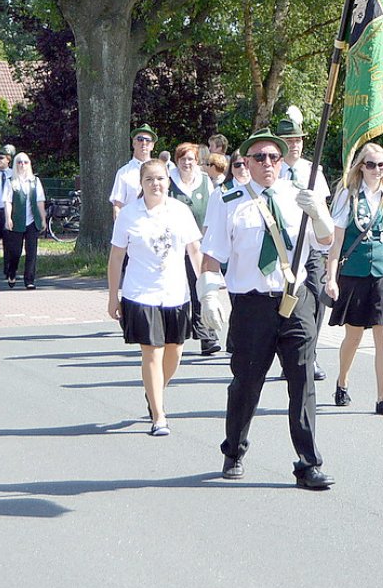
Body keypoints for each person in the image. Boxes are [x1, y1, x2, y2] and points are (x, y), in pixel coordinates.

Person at [199, 127, 336, 490]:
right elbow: (212, 255)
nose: (268, 163)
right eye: (259, 157)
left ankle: (308, 463)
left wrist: (319, 214)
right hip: (252, 306)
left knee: (303, 382)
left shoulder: (298, 196)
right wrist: (210, 293)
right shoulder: (228, 201)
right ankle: (234, 449)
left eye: (274, 157)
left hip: (297, 300)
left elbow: (324, 241)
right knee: (246, 385)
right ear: (246, 162)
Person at [107, 159, 202, 437]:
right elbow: (116, 257)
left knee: (175, 351)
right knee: (152, 351)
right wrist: (114, 296)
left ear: (168, 181)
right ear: (141, 183)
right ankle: (159, 416)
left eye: (160, 178)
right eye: (149, 179)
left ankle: (155, 391)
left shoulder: (180, 211)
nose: (155, 184)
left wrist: (207, 289)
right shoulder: (129, 215)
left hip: (176, 292)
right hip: (141, 293)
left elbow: (194, 250)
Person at [324, 142, 383, 415]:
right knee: (354, 335)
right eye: (371, 164)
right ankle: (342, 381)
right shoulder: (347, 196)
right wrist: (331, 277)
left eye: (381, 165)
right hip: (355, 273)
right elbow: (336, 242)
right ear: (361, 166)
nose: (376, 170)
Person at [275, 109, 330, 381]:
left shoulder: (312, 170)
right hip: (283, 247)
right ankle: (286, 357)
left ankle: (310, 354)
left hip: (309, 246)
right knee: (283, 301)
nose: (294, 145)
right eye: (289, 140)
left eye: (298, 140)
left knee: (317, 297)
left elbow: (323, 208)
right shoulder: (272, 170)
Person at [168, 142, 220, 356]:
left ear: (196, 161)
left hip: (200, 244)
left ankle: (207, 336)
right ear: (177, 161)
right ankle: (174, 332)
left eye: (190, 159)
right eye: (182, 159)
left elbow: (214, 209)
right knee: (179, 290)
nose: (187, 163)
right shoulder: (169, 181)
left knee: (202, 286)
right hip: (174, 247)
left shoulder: (206, 181)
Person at [1, 152, 49, 289]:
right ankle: (12, 272)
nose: (22, 165)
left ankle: (29, 280)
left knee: (31, 251)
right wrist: (8, 218)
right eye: (19, 162)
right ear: (15, 164)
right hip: (17, 221)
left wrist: (43, 219)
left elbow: (40, 201)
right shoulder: (11, 181)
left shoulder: (35, 181)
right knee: (15, 252)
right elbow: (7, 202)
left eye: (25, 162)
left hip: (32, 221)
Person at [108, 123, 157, 218]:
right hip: (132, 226)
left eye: (148, 140)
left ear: (152, 146)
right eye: (140, 139)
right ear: (133, 143)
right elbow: (117, 206)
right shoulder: (123, 172)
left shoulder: (160, 171)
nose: (144, 143)